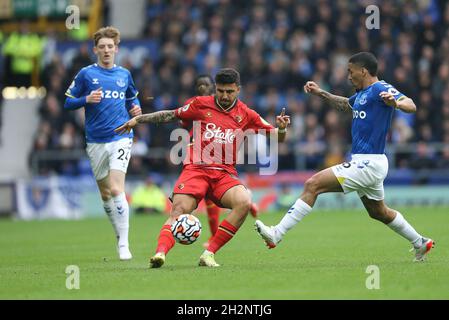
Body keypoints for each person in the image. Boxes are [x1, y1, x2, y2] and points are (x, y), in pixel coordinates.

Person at [255, 52, 435, 262]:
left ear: (363, 71)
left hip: (369, 163)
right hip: (367, 162)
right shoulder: (361, 94)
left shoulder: (379, 88)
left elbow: (411, 104)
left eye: (350, 72)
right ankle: (420, 242)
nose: (348, 76)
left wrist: (396, 103)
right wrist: (321, 93)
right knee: (379, 212)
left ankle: (277, 233)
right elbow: (344, 104)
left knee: (313, 184)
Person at [116, 68, 290, 267]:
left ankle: (208, 254)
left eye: (230, 92)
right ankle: (160, 254)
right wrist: (139, 119)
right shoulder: (200, 104)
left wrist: (282, 128)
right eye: (221, 91)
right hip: (196, 170)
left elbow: (277, 137)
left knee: (243, 201)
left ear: (238, 90)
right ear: (216, 88)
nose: (224, 96)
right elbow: (170, 115)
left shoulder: (247, 114)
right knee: (179, 210)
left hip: (224, 174)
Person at [64, 26, 142, 260]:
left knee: (117, 188)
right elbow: (68, 102)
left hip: (121, 136)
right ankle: (119, 235)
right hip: (95, 141)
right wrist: (85, 99)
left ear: (116, 49)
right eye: (102, 47)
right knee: (106, 195)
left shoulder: (124, 74)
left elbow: (132, 98)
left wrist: (136, 110)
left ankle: (124, 245)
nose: (106, 50)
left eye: (110, 47)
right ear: (95, 50)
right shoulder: (86, 74)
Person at [183, 74, 259, 249]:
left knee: (214, 198)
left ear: (213, 86)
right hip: (197, 151)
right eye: (199, 84)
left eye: (206, 84)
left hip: (218, 154)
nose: (203, 87)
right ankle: (247, 204)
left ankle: (213, 237)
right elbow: (182, 121)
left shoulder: (225, 106)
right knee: (210, 199)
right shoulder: (194, 103)